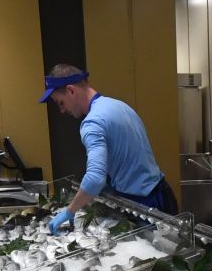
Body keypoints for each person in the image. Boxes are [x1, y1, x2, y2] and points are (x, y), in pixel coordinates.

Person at [40, 62, 177, 229]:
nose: (62, 111)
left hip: (143, 206)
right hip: (162, 193)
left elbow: (94, 179)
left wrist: (70, 210)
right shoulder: (119, 105)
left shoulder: (92, 123)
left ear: (71, 90)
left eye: (60, 103)